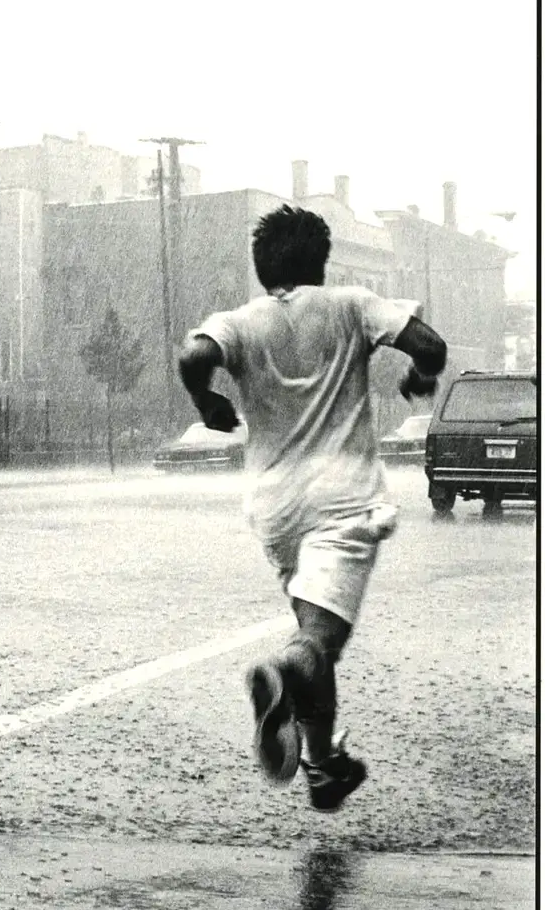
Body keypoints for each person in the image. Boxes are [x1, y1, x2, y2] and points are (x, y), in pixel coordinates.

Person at [178, 204, 447, 810]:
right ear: (320, 262)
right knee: (316, 643)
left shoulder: (240, 321)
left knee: (314, 636)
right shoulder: (351, 303)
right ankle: (282, 672)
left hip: (274, 508)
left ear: (261, 266)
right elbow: (430, 344)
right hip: (342, 499)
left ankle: (324, 767)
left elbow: (193, 356)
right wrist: (418, 377)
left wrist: (208, 403)